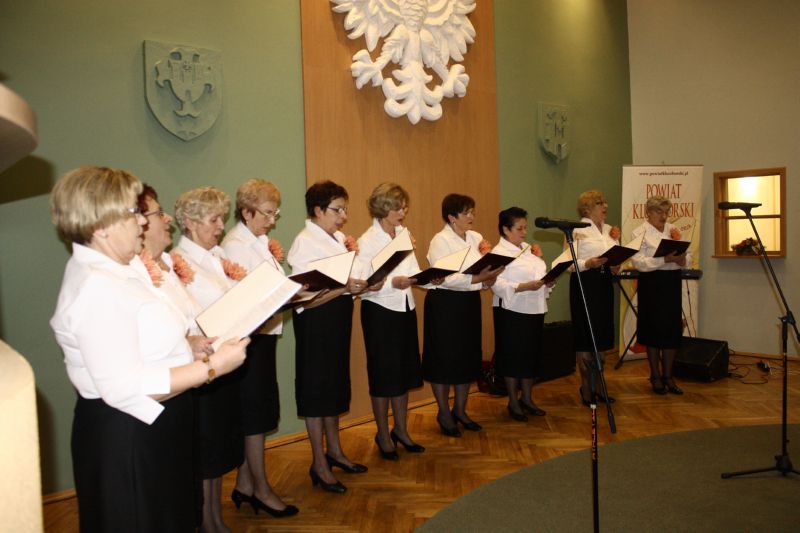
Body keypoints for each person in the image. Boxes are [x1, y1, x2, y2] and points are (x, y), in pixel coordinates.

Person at [49, 166, 248, 533]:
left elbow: (142, 340)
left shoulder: (119, 270)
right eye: (132, 212)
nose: (142, 221)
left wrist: (189, 346)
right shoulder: (97, 285)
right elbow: (124, 387)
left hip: (156, 424)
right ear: (101, 224)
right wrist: (212, 368)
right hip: (128, 436)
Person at [287, 180, 374, 493]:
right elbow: (305, 297)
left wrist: (363, 284)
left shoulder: (337, 239)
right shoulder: (304, 243)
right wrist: (344, 287)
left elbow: (347, 281)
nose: (343, 216)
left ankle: (335, 452)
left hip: (337, 318)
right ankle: (319, 463)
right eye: (338, 210)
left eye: (344, 209)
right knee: (316, 392)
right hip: (315, 323)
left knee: (334, 386)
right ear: (318, 210)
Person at [220, 179, 299, 517]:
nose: (272, 220)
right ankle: (261, 489)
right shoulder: (236, 245)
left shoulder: (258, 242)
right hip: (248, 339)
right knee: (254, 414)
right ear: (246, 212)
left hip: (262, 335)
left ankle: (245, 483)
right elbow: (243, 299)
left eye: (274, 214)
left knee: (260, 410)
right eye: (266, 213)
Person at [173, 186, 246, 533]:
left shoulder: (216, 255)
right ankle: (206, 522)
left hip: (223, 361)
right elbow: (192, 317)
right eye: (214, 219)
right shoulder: (179, 262)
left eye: (221, 218)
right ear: (189, 222)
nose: (221, 226)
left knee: (219, 445)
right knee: (206, 448)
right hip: (202, 365)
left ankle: (215, 518)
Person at [422, 193, 504, 437]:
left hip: (469, 303)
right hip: (444, 305)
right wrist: (478, 278)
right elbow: (444, 277)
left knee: (467, 357)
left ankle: (460, 410)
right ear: (451, 217)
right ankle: (443, 412)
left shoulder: (475, 237)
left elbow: (482, 273)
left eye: (472, 211)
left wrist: (490, 277)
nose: (471, 216)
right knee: (444, 359)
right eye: (466, 212)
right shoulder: (440, 240)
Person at [355, 183, 426, 460]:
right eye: (398, 207)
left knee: (403, 372)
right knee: (383, 374)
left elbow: (413, 269)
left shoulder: (404, 234)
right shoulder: (367, 241)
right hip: (380, 311)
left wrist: (423, 278)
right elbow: (363, 284)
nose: (403, 212)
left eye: (404, 207)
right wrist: (391, 283)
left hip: (405, 307)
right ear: (383, 208)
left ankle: (402, 430)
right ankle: (383, 434)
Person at [491, 207, 555, 421]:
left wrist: (547, 282)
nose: (524, 232)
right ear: (505, 229)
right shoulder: (498, 253)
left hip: (534, 309)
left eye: (525, 228)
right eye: (519, 228)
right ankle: (513, 401)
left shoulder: (528, 249)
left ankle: (527, 398)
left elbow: (540, 273)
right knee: (513, 356)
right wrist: (523, 286)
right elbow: (496, 284)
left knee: (530, 355)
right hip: (511, 310)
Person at [564, 190, 620, 406]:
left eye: (604, 202)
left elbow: (615, 258)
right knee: (586, 338)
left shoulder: (609, 230)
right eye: (599, 203)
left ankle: (599, 386)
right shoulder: (576, 230)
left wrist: (616, 266)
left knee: (601, 336)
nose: (605, 205)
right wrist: (588, 263)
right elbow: (568, 263)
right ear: (586, 209)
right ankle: (586, 388)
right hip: (584, 284)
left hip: (604, 285)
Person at [631, 195, 690, 395]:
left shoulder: (673, 230)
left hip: (671, 283)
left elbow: (688, 255)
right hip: (652, 283)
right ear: (648, 212)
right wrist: (664, 259)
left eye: (666, 212)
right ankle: (655, 376)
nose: (664, 216)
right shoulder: (639, 232)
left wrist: (683, 260)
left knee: (671, 329)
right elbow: (638, 262)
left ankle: (668, 376)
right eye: (659, 212)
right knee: (653, 330)